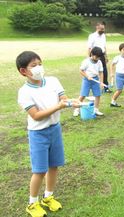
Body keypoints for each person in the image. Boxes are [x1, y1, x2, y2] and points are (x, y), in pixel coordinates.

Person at [17, 51, 79, 217]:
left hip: (55, 129)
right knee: (39, 170)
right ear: (24, 71)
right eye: (33, 65)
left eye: (40, 63)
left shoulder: (53, 81)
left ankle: (48, 197)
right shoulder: (24, 92)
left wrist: (74, 103)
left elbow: (63, 99)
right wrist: (59, 106)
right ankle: (32, 203)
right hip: (38, 134)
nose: (39, 68)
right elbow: (36, 115)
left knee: (54, 166)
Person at [73, 47, 104, 116]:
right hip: (86, 80)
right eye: (97, 57)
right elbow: (81, 70)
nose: (98, 59)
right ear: (92, 54)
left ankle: (96, 110)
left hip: (95, 80)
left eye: (99, 57)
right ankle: (77, 109)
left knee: (97, 95)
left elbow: (101, 72)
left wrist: (101, 82)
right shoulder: (86, 61)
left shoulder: (99, 62)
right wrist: (87, 76)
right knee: (83, 95)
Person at [87, 21, 112, 93]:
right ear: (97, 27)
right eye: (101, 29)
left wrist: (106, 56)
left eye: (103, 29)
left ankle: (105, 87)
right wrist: (89, 58)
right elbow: (89, 48)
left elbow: (104, 46)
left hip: (102, 55)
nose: (103, 30)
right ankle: (92, 87)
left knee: (104, 71)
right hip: (94, 56)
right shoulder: (92, 36)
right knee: (93, 72)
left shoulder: (103, 36)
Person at [110, 43, 124, 109]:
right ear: (120, 50)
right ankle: (113, 102)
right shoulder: (117, 58)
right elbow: (112, 65)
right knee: (119, 90)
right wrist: (111, 73)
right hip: (119, 76)